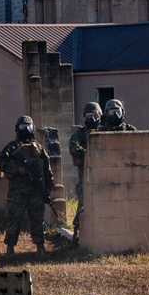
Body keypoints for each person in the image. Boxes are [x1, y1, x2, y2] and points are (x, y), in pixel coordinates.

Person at [0, 115, 54, 256]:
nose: (26, 130)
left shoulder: (39, 148)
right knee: (14, 220)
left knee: (37, 220)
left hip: (35, 192)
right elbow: (0, 163)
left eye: (28, 127)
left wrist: (48, 189)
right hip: (17, 192)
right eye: (23, 128)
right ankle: (10, 248)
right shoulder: (12, 147)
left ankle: (40, 247)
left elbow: (47, 169)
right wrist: (17, 170)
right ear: (17, 129)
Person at [68, 102, 102, 241]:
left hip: (104, 179)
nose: (92, 119)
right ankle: (76, 235)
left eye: (95, 115)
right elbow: (74, 148)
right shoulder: (80, 134)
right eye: (88, 116)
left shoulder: (105, 132)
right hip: (85, 179)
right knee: (82, 207)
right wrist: (90, 153)